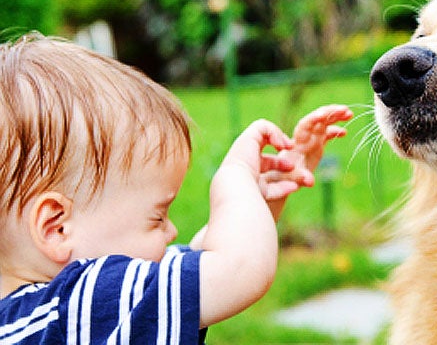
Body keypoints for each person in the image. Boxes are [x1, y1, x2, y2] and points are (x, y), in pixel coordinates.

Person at [0, 34, 353, 344]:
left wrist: (255, 201)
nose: (172, 230)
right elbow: (238, 268)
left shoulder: (34, 320)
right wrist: (235, 178)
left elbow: (200, 261)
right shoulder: (82, 306)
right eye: (156, 217)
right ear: (56, 226)